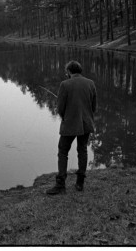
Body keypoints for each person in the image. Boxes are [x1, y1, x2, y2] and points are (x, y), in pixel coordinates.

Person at [46, 60, 97, 195]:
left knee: (63, 151)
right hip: (86, 123)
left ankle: (60, 184)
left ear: (68, 72)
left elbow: (60, 108)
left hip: (69, 124)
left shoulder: (65, 84)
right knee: (82, 151)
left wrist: (65, 117)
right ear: (79, 70)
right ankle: (80, 183)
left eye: (66, 72)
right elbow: (94, 107)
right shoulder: (91, 83)